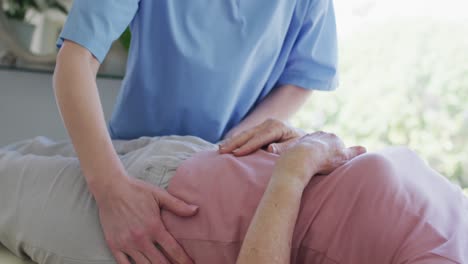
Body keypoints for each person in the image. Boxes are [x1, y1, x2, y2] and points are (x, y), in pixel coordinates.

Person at [53, 0, 339, 261]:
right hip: (128, 159)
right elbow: (77, 57)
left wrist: (231, 145)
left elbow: (302, 77)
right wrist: (111, 188)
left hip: (221, 167)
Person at [0, 120, 466, 264]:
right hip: (191, 154)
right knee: (14, 149)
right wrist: (309, 140)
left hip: (152, 223)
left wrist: (295, 167)